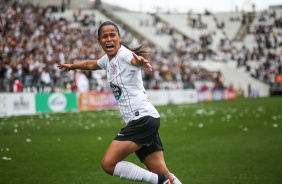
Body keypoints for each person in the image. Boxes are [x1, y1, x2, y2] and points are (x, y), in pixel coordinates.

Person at [57, 21, 182, 184]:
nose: (109, 39)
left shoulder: (124, 55)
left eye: (112, 35)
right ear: (99, 41)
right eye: (105, 36)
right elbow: (92, 64)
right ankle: (164, 180)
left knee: (108, 164)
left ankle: (159, 181)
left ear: (119, 38)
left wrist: (140, 62)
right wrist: (73, 66)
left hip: (142, 120)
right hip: (146, 120)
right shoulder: (107, 60)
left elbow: (133, 60)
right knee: (162, 172)